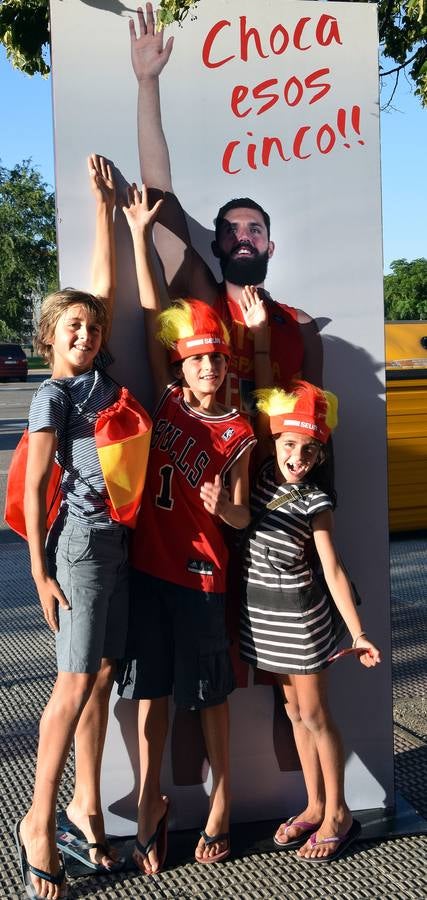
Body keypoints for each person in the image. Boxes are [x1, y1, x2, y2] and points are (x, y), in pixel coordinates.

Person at [117, 182, 257, 872]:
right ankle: (150, 805)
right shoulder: (168, 401)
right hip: (148, 570)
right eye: (195, 357)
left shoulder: (239, 430)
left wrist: (219, 502)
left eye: (214, 358)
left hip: (202, 578)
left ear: (226, 366)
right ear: (183, 362)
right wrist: (140, 236)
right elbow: (149, 317)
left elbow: (239, 514)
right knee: (150, 695)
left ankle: (223, 803)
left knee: (209, 698)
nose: (203, 366)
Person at [14, 156, 128, 900]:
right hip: (80, 547)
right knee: (71, 685)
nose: (84, 332)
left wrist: (105, 211)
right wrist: (36, 567)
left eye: (90, 326)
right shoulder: (53, 396)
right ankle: (34, 820)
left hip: (119, 542)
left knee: (104, 679)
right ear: (51, 337)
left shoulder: (102, 372)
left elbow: (104, 289)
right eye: (72, 327)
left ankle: (87, 806)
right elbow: (32, 486)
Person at [128, 3, 323, 417]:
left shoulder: (300, 325)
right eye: (231, 230)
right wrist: (148, 83)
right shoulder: (203, 299)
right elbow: (160, 195)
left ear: (270, 247)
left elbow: (319, 424)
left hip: (274, 480)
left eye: (254, 229)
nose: (243, 236)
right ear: (216, 247)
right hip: (210, 477)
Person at [240, 380, 382, 862]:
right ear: (274, 442)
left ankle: (338, 813)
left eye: (308, 449)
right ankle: (315, 802)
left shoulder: (315, 502)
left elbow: (333, 568)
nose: (297, 456)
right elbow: (261, 409)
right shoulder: (260, 475)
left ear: (320, 455)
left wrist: (359, 632)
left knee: (316, 716)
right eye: (289, 445)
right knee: (295, 714)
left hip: (301, 624)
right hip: (264, 620)